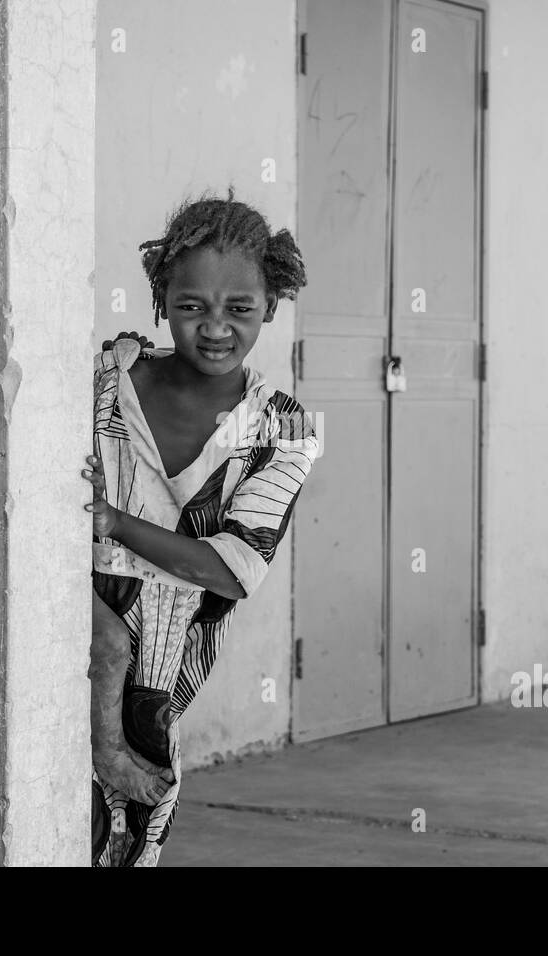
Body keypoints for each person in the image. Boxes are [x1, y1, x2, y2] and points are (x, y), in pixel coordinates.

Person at [81, 188, 318, 867]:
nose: (215, 327)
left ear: (270, 306)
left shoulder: (287, 428)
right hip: (69, 616)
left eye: (239, 308)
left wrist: (115, 523)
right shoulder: (106, 383)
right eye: (191, 307)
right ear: (162, 303)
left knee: (136, 824)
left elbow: (233, 568)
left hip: (167, 658)